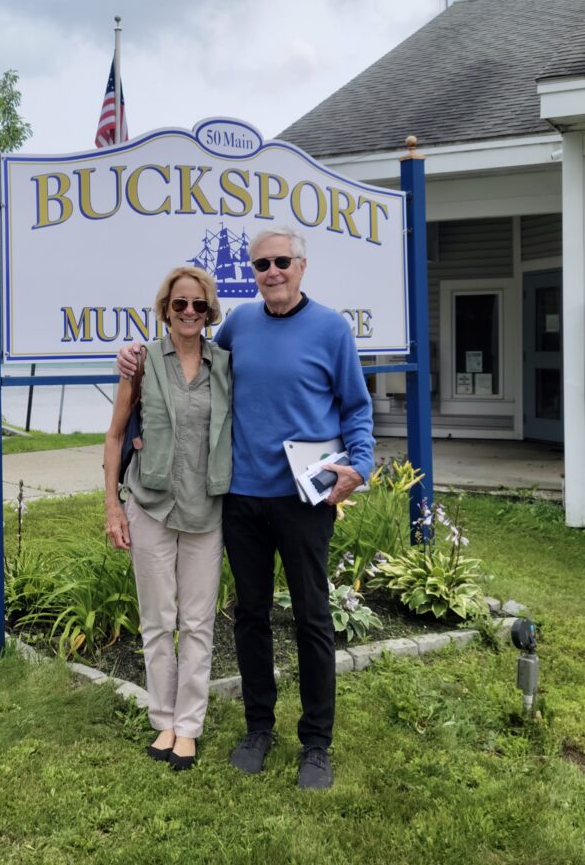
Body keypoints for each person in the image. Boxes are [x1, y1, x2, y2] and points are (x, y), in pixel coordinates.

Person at [118, 227, 374, 789]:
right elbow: (185, 363)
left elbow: (357, 407)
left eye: (282, 261)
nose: (272, 271)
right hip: (240, 497)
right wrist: (133, 355)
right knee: (251, 617)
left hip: (305, 499)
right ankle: (259, 727)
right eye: (261, 265)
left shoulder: (332, 329)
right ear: (252, 274)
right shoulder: (237, 326)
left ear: (301, 266)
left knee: (311, 617)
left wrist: (361, 465)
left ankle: (316, 743)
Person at [103, 266, 232, 771]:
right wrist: (113, 504)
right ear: (166, 309)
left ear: (209, 312)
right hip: (151, 505)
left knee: (197, 623)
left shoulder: (224, 364)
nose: (189, 313)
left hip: (206, 509)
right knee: (158, 621)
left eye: (198, 305)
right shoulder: (139, 364)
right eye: (180, 304)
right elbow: (116, 436)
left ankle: (189, 727)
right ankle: (164, 721)